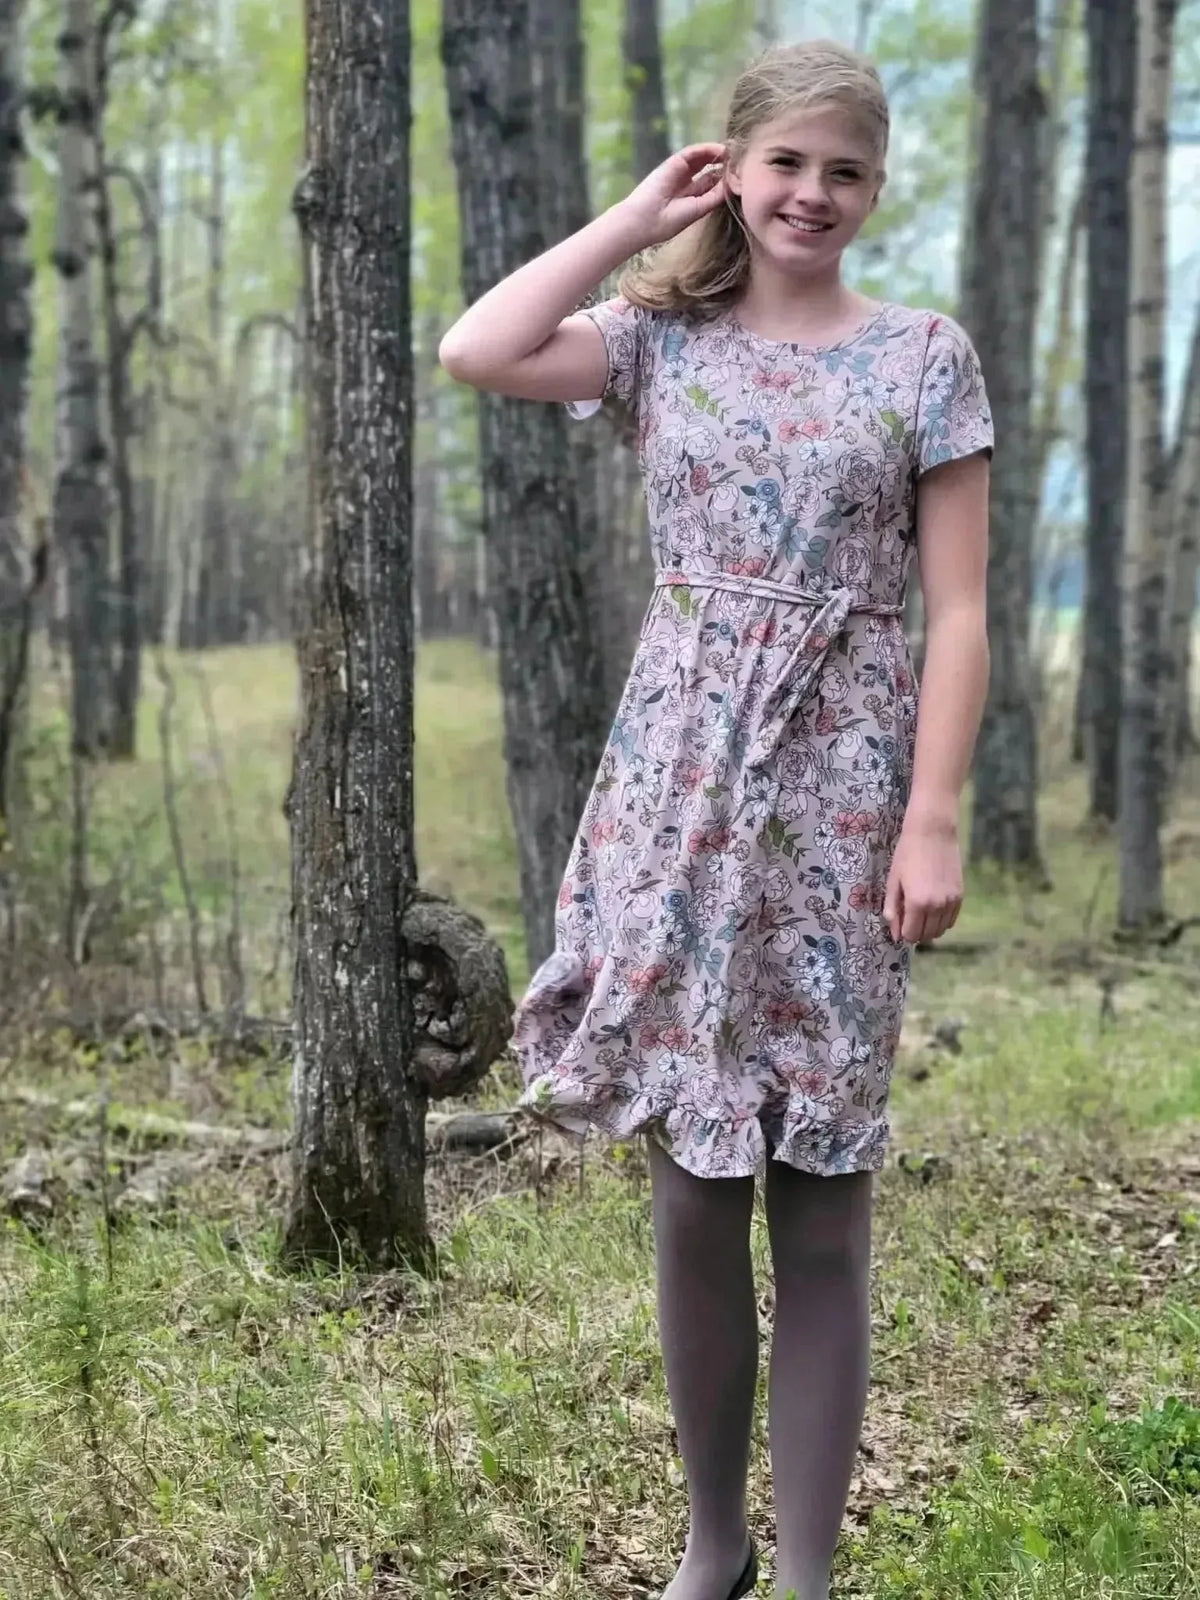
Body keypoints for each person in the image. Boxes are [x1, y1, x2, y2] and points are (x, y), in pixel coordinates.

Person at [439, 36, 992, 1600]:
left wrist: (932, 814)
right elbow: (478, 349)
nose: (814, 194)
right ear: (735, 172)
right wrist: (633, 220)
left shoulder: (922, 359)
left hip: (843, 794)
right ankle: (714, 1548)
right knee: (696, 1188)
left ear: (876, 189)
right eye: (788, 164)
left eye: (845, 170)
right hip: (679, 791)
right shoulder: (659, 343)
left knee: (823, 1194)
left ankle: (807, 1571)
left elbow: (959, 614)